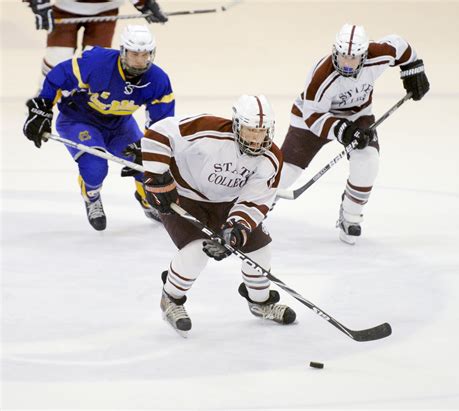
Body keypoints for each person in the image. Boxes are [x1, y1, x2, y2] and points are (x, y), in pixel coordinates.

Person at [140, 95, 296, 336]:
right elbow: (159, 133)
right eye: (249, 130)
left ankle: (260, 302)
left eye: (262, 132)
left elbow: (255, 199)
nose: (256, 139)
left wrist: (236, 230)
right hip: (184, 197)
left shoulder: (271, 158)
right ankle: (171, 299)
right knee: (196, 252)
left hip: (227, 203)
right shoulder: (208, 130)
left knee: (259, 252)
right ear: (236, 125)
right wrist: (157, 174)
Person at [279, 24, 430, 245]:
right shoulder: (321, 77)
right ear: (334, 52)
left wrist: (413, 69)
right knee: (284, 173)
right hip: (314, 119)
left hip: (358, 116)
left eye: (353, 58)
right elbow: (313, 117)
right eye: (342, 57)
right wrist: (344, 131)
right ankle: (251, 215)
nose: (347, 64)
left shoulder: (378, 55)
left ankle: (350, 216)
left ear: (364, 54)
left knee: (368, 162)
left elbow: (400, 45)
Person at [23, 25, 175, 231]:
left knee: (147, 163)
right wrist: (42, 108)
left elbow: (161, 122)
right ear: (123, 52)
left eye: (145, 54)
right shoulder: (97, 63)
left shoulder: (158, 80)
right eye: (134, 54)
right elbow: (59, 75)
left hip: (120, 126)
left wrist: (152, 146)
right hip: (79, 120)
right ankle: (92, 196)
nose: (140, 60)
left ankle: (146, 198)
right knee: (95, 166)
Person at [23, 0, 167, 85]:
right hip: (65, 8)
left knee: (95, 60)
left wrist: (145, 3)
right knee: (57, 56)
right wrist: (40, 4)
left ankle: (86, 99)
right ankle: (44, 95)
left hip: (105, 11)